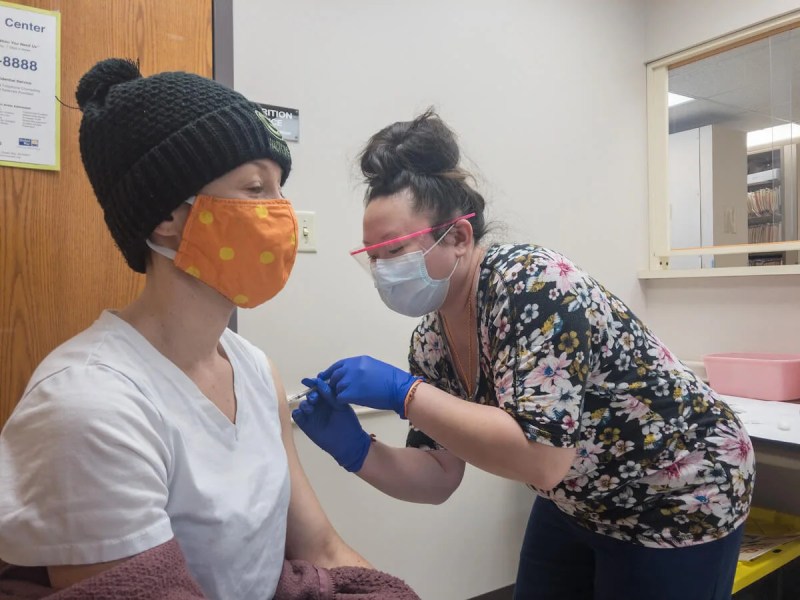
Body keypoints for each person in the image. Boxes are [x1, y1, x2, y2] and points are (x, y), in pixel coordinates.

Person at [293, 109, 755, 600]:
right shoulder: (431, 341)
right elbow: (439, 476)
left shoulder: (532, 284)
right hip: (576, 497)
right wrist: (356, 450)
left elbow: (542, 458)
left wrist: (403, 394)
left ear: (459, 237)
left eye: (396, 249)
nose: (383, 269)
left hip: (679, 489)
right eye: (373, 255)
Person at [0, 58, 370, 600]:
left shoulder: (254, 368)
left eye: (279, 188)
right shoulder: (86, 404)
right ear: (165, 218)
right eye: (254, 188)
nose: (282, 214)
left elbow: (323, 550)